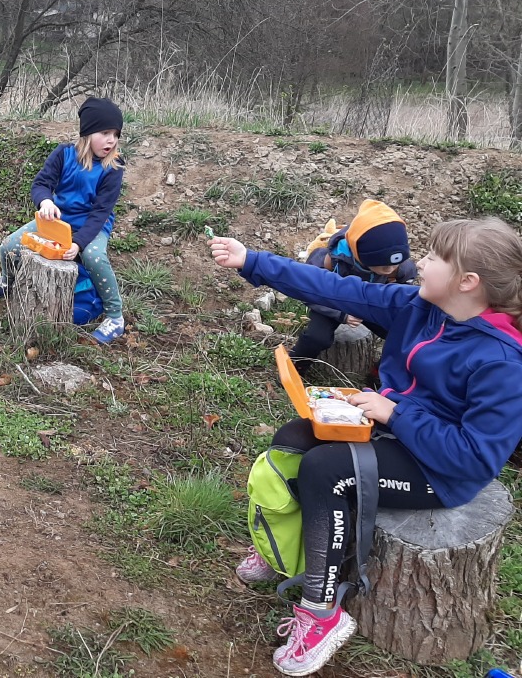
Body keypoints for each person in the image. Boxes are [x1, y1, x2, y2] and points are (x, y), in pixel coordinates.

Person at [210, 219, 522, 676]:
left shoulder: (502, 362)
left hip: (442, 471)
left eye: (434, 257)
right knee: (292, 439)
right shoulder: (420, 307)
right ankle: (287, 551)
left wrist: (395, 414)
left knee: (326, 470)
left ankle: (321, 613)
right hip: (395, 427)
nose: (420, 263)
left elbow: (473, 457)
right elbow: (335, 288)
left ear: (467, 282)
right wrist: (252, 261)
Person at [0, 96, 127, 345]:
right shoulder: (64, 154)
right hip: (57, 220)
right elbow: (41, 183)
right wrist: (46, 202)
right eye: (105, 133)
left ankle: (115, 316)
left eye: (115, 134)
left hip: (92, 224)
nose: (111, 140)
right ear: (87, 132)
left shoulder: (114, 167)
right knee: (9, 246)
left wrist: (78, 243)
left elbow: (101, 212)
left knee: (94, 257)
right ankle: (6, 281)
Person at [290, 199, 417, 375]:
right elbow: (309, 291)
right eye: (383, 266)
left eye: (395, 264)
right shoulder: (330, 260)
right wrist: (341, 314)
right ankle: (295, 367)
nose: (390, 269)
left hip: (372, 304)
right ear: (361, 255)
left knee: (405, 336)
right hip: (333, 302)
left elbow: (406, 293)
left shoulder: (399, 268)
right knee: (316, 337)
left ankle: (380, 373)